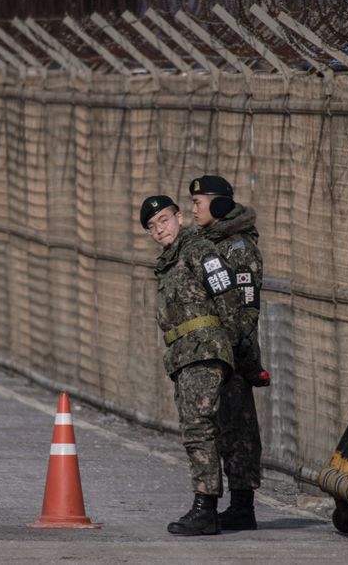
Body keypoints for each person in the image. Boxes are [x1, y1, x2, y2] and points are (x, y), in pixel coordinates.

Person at [139, 194, 237, 536]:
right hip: (186, 353)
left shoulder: (197, 250)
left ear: (179, 218)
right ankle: (207, 506)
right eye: (152, 227)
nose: (159, 230)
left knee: (199, 427)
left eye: (163, 220)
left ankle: (205, 508)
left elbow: (226, 296)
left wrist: (234, 346)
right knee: (197, 427)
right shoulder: (171, 259)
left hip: (204, 349)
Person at [189, 175, 268, 531]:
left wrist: (237, 351)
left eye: (198, 201)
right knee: (220, 426)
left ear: (219, 204)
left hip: (234, 350)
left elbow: (244, 307)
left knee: (238, 426)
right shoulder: (208, 241)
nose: (193, 209)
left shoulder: (238, 247)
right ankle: (234, 504)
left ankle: (242, 506)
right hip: (215, 348)